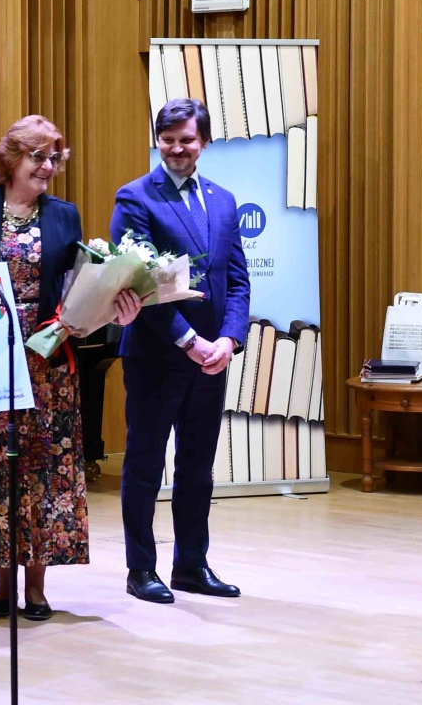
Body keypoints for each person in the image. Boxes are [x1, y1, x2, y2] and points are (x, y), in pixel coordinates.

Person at [0, 115, 141, 621]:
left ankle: (36, 587)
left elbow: (76, 285)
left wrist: (109, 303)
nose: (49, 166)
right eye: (39, 157)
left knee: (44, 470)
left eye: (56, 158)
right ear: (11, 157)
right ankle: (2, 585)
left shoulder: (64, 215)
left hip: (47, 360)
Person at [110, 98, 250, 604]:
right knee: (145, 464)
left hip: (212, 358)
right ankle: (141, 570)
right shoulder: (134, 198)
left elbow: (237, 281)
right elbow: (139, 283)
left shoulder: (224, 200)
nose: (176, 148)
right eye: (167, 140)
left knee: (197, 466)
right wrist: (189, 341)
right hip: (157, 355)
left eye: (186, 139)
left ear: (204, 143)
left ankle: (191, 564)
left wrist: (228, 340)